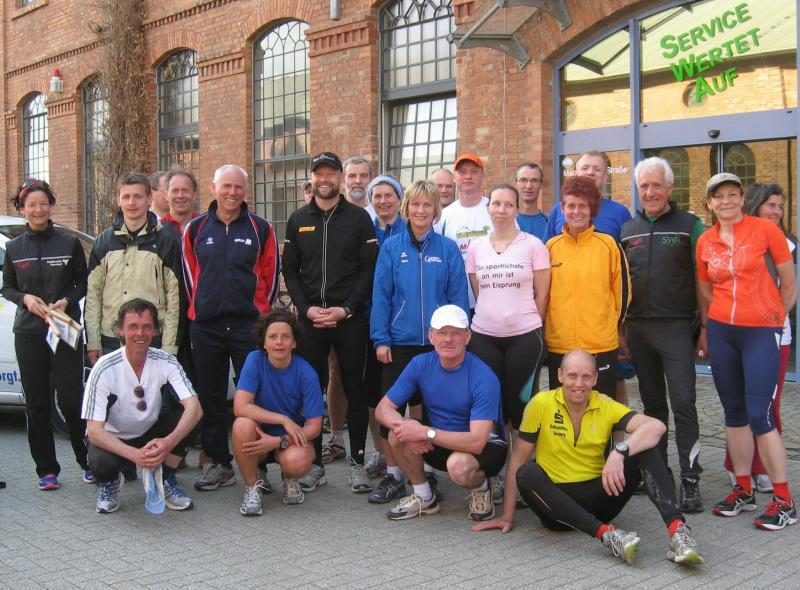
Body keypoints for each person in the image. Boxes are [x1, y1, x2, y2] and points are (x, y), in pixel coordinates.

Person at [473, 350, 704, 566]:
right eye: (572, 376)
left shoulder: (605, 404)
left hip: (599, 499)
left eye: (586, 377)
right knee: (526, 472)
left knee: (645, 448)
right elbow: (518, 458)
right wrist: (508, 515)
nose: (578, 384)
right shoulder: (541, 403)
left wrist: (619, 452)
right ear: (560, 375)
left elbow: (656, 427)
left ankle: (678, 532)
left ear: (595, 379)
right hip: (556, 508)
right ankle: (608, 536)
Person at [697, 172, 798, 531]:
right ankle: (743, 488)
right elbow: (704, 290)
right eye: (718, 196)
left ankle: (784, 500)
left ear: (742, 199)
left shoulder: (766, 230)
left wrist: (775, 318)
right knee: (734, 412)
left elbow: (789, 282)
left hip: (760, 333)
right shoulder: (705, 240)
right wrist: (710, 327)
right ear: (709, 203)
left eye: (732, 194)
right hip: (723, 332)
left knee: (761, 414)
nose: (725, 201)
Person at [282, 151, 378, 494]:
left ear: (339, 178)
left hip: (349, 319)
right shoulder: (298, 219)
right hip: (311, 320)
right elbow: (289, 270)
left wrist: (346, 309)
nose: (324, 179)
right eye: (318, 174)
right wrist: (305, 308)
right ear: (312, 178)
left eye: (330, 173)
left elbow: (368, 269)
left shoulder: (359, 219)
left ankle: (357, 463)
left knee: (355, 388)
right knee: (312, 391)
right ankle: (315, 465)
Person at [369, 180, 469, 504]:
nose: (421, 210)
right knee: (392, 409)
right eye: (415, 204)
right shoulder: (391, 247)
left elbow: (457, 299)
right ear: (406, 208)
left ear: (436, 210)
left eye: (427, 205)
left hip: (436, 345)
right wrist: (381, 339)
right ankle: (393, 474)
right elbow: (381, 297)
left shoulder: (448, 249)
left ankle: (426, 471)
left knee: (427, 411)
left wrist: (455, 339)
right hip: (399, 342)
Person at [183, 164, 281, 491]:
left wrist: (260, 315)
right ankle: (218, 463)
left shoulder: (261, 229)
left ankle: (259, 467)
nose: (232, 192)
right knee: (210, 397)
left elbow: (270, 276)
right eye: (226, 186)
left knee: (255, 396)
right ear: (213, 188)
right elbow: (189, 276)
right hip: (206, 326)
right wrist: (201, 309)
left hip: (248, 327)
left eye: (238, 187)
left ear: (245, 191)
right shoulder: (195, 229)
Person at [619, 157, 705, 513]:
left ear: (669, 188)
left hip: (676, 328)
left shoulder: (689, 225)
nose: (650, 192)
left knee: (683, 403)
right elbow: (620, 284)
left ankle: (691, 478)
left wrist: (705, 328)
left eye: (657, 185)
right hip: (639, 329)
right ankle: (660, 473)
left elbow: (703, 278)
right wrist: (621, 329)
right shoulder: (627, 230)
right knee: (653, 406)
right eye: (644, 186)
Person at [376, 305, 506, 522]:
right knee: (396, 434)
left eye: (456, 333)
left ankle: (482, 488)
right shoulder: (420, 364)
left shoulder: (483, 376)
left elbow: (476, 442)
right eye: (442, 332)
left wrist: (424, 433)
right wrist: (408, 429)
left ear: (467, 337)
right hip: (438, 440)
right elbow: (383, 409)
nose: (448, 339)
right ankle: (424, 497)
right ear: (431, 336)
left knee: (459, 467)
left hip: (483, 447)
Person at [2, 179, 90, 489]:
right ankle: (47, 470)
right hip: (28, 333)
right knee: (37, 404)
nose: (38, 210)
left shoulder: (68, 244)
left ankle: (87, 460)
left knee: (71, 399)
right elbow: (8, 288)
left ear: (51, 205)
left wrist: (67, 300)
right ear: (22, 209)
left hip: (64, 329)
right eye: (31, 205)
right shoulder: (14, 248)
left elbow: (84, 281)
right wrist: (25, 299)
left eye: (43, 203)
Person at [466, 183, 550, 503]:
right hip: (484, 337)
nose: (501, 210)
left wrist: (525, 323)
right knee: (494, 408)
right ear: (489, 208)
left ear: (516, 209)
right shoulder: (476, 248)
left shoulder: (534, 245)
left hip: (525, 337)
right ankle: (499, 474)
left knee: (521, 408)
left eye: (508, 204)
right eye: (496, 204)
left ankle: (524, 476)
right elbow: (479, 292)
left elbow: (542, 295)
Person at [82, 299, 202, 514]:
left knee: (192, 418)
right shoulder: (104, 368)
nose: (140, 333)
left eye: (147, 326)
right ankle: (110, 483)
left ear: (156, 330)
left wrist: (167, 443)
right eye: (133, 326)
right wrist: (135, 455)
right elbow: (94, 431)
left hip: (149, 432)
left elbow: (194, 407)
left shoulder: (166, 360)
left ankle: (164, 478)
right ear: (120, 330)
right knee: (100, 460)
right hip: (113, 436)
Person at [724, 183, 797, 494]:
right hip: (736, 333)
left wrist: (771, 319)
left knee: (767, 404)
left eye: (780, 206)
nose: (777, 212)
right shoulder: (735, 238)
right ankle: (737, 466)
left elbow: (790, 289)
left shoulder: (788, 243)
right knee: (737, 403)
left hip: (774, 335)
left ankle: (763, 466)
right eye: (771, 205)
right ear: (755, 205)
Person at [231, 309, 324, 514]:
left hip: (288, 439)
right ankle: (252, 487)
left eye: (285, 336)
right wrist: (283, 419)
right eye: (272, 337)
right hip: (259, 433)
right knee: (241, 425)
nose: (279, 342)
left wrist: (278, 440)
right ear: (264, 342)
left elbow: (315, 427)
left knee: (298, 461)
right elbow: (240, 406)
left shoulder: (307, 373)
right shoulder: (254, 360)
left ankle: (290, 479)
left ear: (294, 342)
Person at [545, 175, 630, 398]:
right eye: (571, 206)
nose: (576, 211)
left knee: (600, 408)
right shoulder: (551, 248)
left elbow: (623, 293)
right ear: (562, 208)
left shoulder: (608, 245)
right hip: (560, 345)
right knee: (562, 407)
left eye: (582, 206)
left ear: (592, 208)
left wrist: (609, 327)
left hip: (600, 345)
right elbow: (543, 294)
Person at [85, 172, 183, 364]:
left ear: (149, 199)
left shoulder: (166, 241)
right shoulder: (104, 242)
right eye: (126, 196)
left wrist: (169, 348)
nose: (131, 202)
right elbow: (93, 296)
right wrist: (93, 342)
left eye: (138, 196)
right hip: (111, 340)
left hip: (152, 340)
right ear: (118, 200)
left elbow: (175, 300)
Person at [322, 156, 376, 465]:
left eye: (363, 175)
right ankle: (336, 438)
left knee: (367, 380)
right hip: (342, 311)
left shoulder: (379, 211)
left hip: (372, 311)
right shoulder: (333, 213)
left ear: (371, 178)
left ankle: (378, 450)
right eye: (352, 175)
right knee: (336, 372)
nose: (357, 181)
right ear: (345, 179)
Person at [363, 175, 407, 480]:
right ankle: (381, 452)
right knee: (374, 392)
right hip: (370, 320)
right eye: (377, 196)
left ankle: (414, 455)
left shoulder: (410, 230)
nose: (383, 201)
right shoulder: (364, 230)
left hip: (403, 324)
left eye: (389, 195)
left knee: (413, 395)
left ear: (399, 198)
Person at [439, 153, 493, 310]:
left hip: (494, 300)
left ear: (483, 177)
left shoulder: (496, 208)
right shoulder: (443, 216)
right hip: (455, 301)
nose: (468, 176)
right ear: (454, 177)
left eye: (474, 171)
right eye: (462, 172)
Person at [542, 151, 631, 242]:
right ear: (575, 174)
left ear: (605, 177)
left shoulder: (621, 213)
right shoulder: (558, 210)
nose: (590, 172)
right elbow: (547, 248)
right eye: (585, 168)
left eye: (597, 169)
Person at [514, 163, 548, 240]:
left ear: (541, 185)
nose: (528, 186)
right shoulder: (506, 220)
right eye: (523, 180)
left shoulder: (549, 223)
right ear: (516, 184)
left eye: (534, 181)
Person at [162, 169, 198, 235]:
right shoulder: (156, 230)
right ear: (166, 195)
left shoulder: (205, 227)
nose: (180, 195)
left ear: (194, 194)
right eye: (175, 191)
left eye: (185, 190)